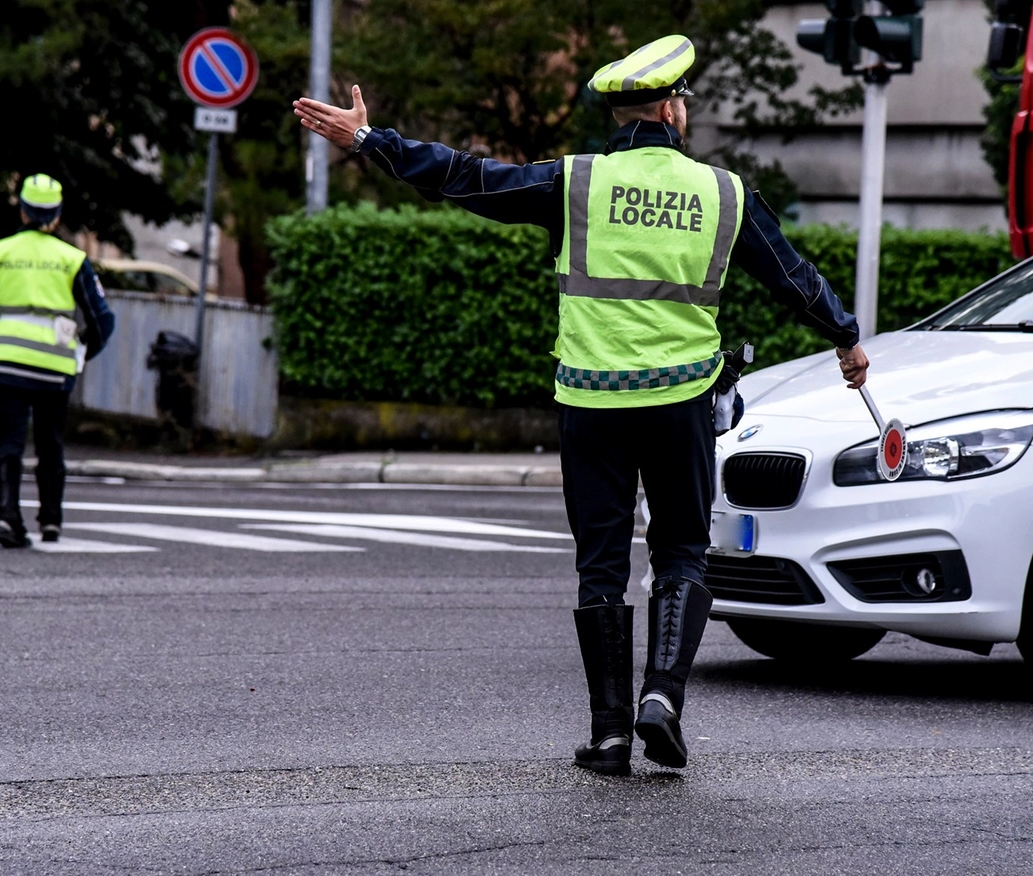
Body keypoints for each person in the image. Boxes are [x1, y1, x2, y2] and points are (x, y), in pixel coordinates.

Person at [293, 34, 869, 775]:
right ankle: (662, 697)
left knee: (600, 566)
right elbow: (791, 275)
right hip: (681, 399)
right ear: (670, 109)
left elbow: (467, 179)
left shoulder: (576, 184)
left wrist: (371, 138)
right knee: (683, 552)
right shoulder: (723, 192)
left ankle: (608, 736)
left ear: (624, 114)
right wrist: (845, 338)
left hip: (592, 401)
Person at [0, 174, 116, 548]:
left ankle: (7, 518)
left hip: (3, 364)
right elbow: (102, 319)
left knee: (9, 443)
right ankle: (51, 522)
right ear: (57, 214)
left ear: (21, 209)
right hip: (54, 368)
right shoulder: (72, 259)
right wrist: (82, 353)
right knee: (50, 443)